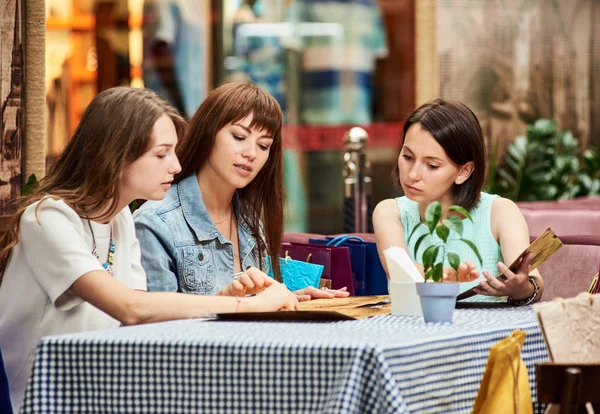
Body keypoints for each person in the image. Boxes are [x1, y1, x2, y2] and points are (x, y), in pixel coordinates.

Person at [0, 87, 298, 412]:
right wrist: (245, 306)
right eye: (161, 154)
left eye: (173, 152)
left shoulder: (120, 219)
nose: (175, 165)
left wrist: (226, 298)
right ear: (115, 153)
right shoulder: (47, 217)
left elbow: (145, 321)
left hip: (96, 392)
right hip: (35, 401)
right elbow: (130, 308)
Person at [134, 82, 348, 300]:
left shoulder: (249, 220)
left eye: (263, 145)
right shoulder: (155, 223)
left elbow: (252, 306)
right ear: (208, 132)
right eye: (239, 137)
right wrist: (227, 303)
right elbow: (158, 326)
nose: (251, 153)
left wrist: (290, 298)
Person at [373, 98, 543, 303]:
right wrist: (452, 275)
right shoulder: (391, 212)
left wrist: (521, 286)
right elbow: (401, 271)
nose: (413, 174)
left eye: (432, 165)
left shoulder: (500, 212)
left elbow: (533, 282)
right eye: (408, 157)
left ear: (464, 171)